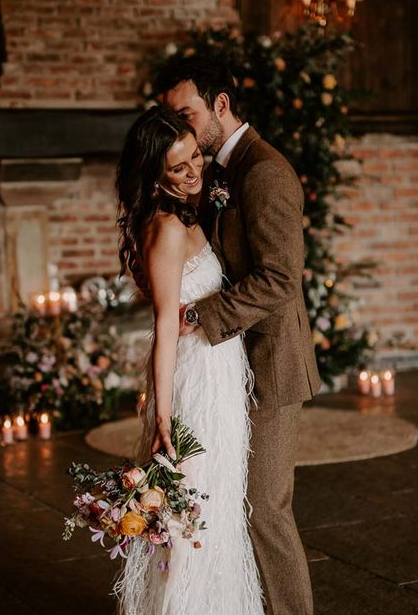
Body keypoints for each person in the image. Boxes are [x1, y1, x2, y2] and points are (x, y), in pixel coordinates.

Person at [157, 55, 319, 615]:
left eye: (187, 113)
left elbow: (279, 279)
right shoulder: (219, 170)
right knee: (229, 499)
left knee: (265, 508)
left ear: (220, 105)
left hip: (271, 360)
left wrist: (202, 316)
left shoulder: (265, 171)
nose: (180, 128)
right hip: (230, 365)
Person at [114, 105, 264, 614]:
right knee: (190, 513)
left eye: (195, 156)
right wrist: (161, 417)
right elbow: (163, 327)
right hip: (194, 379)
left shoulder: (185, 213)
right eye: (178, 167)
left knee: (216, 504)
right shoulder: (166, 230)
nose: (194, 170)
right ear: (155, 176)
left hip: (219, 370)